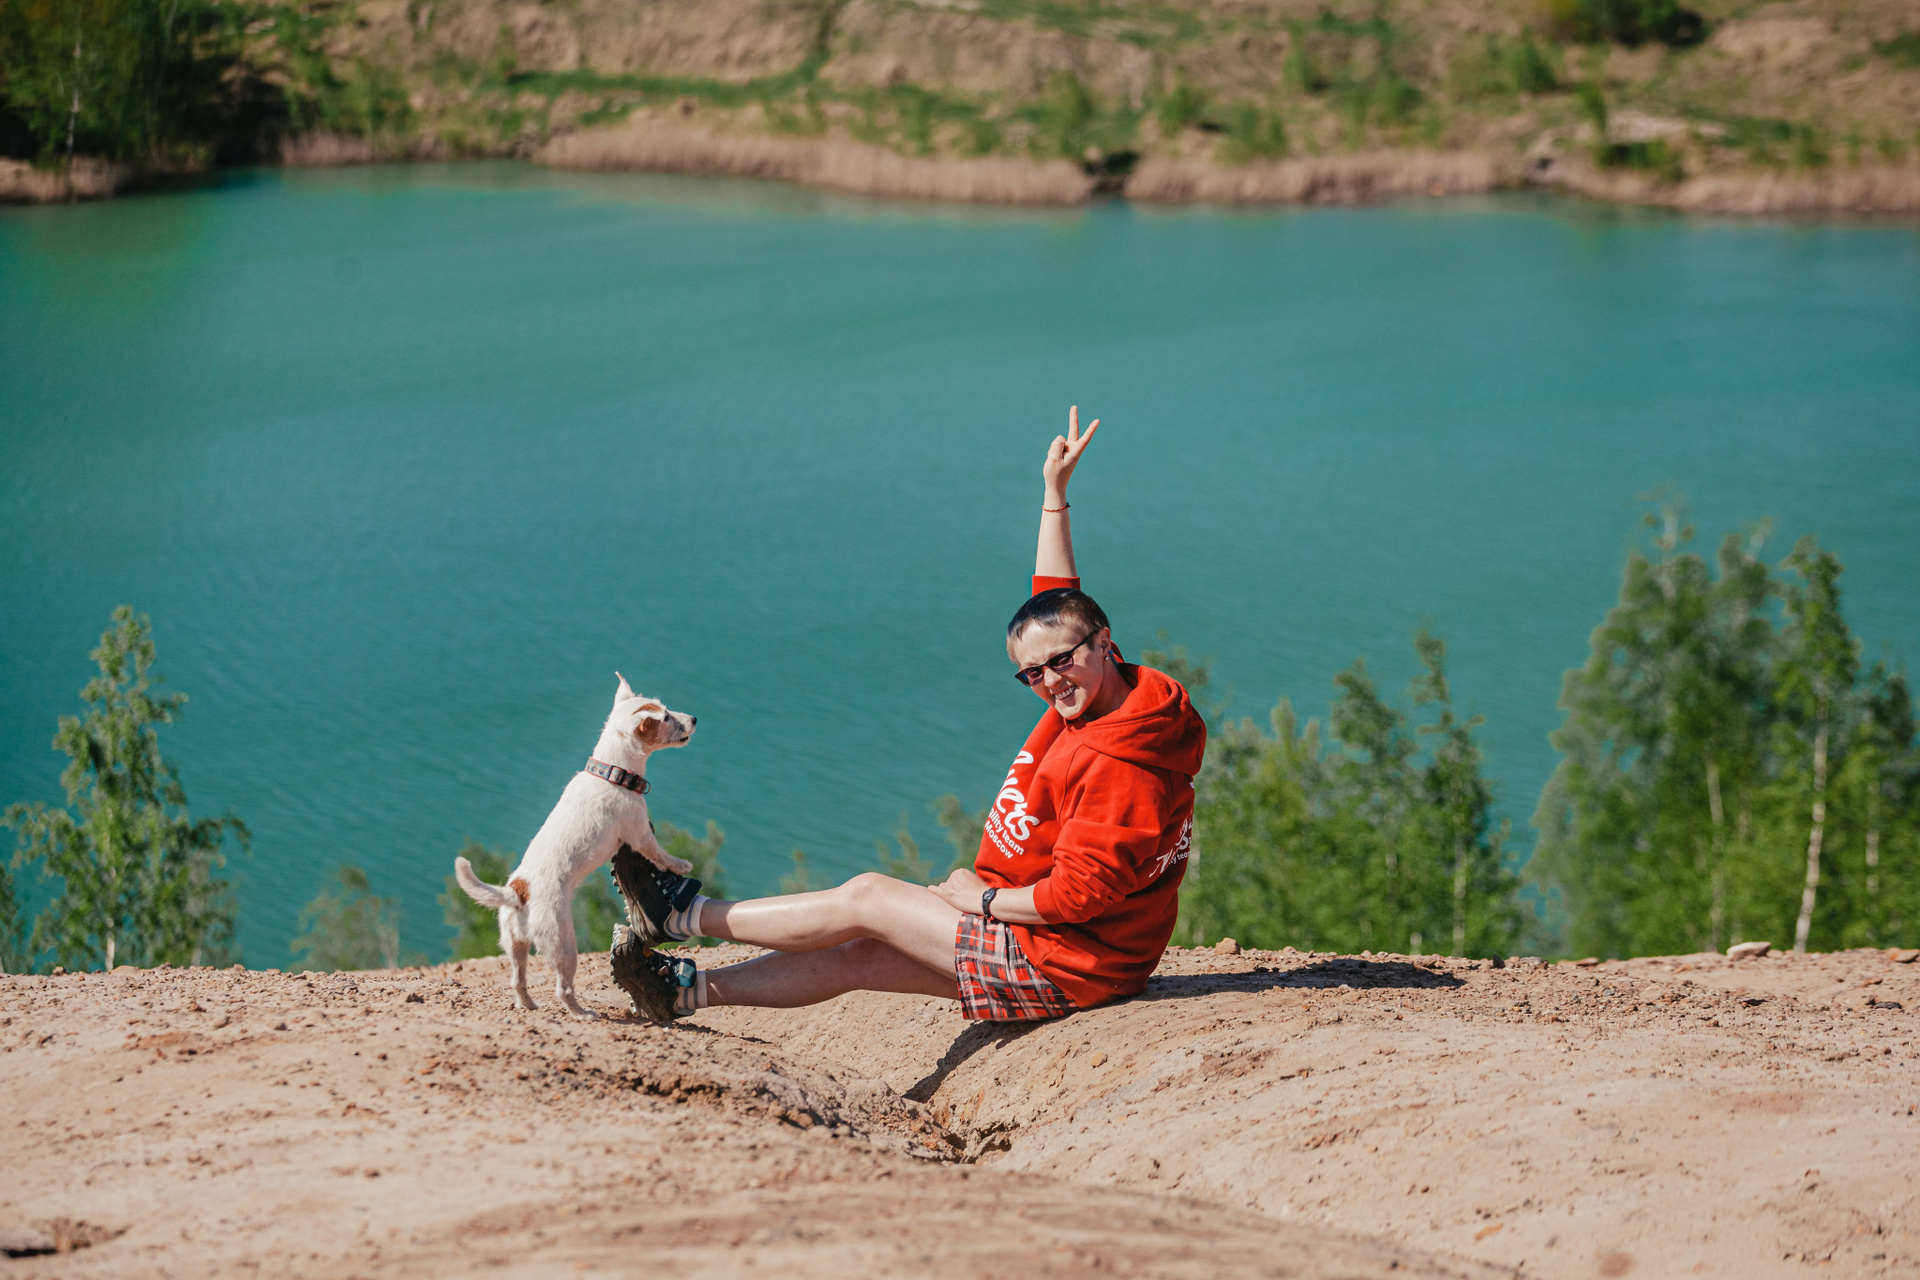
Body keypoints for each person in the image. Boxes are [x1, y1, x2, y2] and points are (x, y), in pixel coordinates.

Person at [609, 407, 1207, 1023]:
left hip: (1064, 959)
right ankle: (680, 992)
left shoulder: (1123, 764)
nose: (1051, 681)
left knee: (868, 897)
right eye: (1032, 672)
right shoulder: (1108, 683)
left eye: (1060, 662)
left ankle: (681, 914)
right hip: (1050, 938)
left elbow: (1079, 897)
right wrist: (1054, 494)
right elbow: (1057, 604)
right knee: (861, 953)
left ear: (1104, 643)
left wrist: (985, 901)